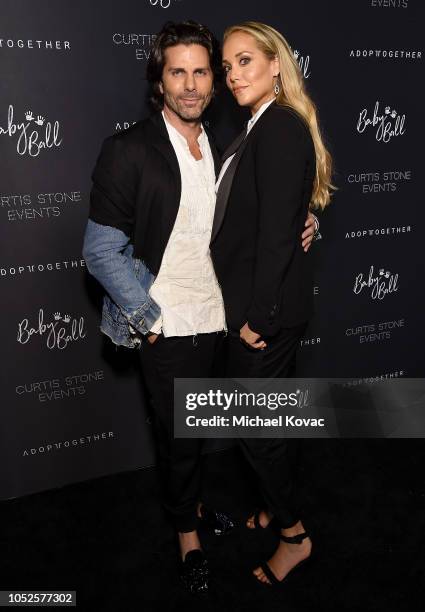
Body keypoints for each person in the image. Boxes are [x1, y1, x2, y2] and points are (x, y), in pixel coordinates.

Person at [82, 20, 318, 594]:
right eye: (177, 72)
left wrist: (300, 221)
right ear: (158, 81)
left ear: (212, 80)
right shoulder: (129, 149)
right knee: (181, 439)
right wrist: (151, 319)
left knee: (225, 428)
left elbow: (255, 216)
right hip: (172, 323)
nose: (191, 84)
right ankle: (186, 534)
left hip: (227, 321)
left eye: (201, 71)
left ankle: (212, 508)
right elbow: (99, 250)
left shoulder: (227, 142)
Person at [209, 21, 336, 587]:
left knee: (257, 430)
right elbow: (268, 217)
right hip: (263, 310)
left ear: (275, 65)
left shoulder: (278, 128)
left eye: (245, 62)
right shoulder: (261, 126)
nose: (233, 75)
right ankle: (270, 505)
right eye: (227, 65)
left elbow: (276, 237)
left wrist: (255, 319)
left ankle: (294, 535)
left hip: (265, 317)